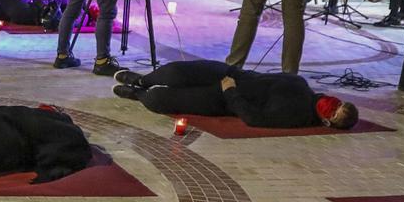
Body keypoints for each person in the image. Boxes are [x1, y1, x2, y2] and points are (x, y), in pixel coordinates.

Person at [113, 62, 361, 130]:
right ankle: (141, 80)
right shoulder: (301, 83)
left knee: (160, 101)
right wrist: (235, 76)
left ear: (328, 121)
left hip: (223, 99)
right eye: (338, 104)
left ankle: (139, 94)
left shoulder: (295, 115)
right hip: (231, 74)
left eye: (334, 112)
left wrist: (230, 92)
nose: (331, 105)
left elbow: (254, 118)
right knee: (176, 71)